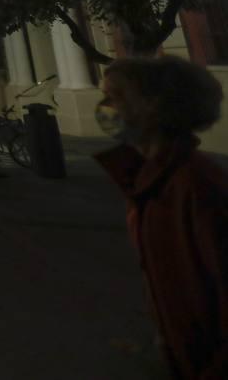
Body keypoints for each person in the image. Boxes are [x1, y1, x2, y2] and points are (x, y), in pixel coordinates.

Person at [94, 56, 227, 379]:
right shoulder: (149, 182)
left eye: (117, 96)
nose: (106, 108)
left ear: (155, 106)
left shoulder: (197, 188)